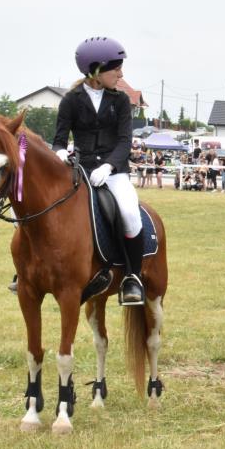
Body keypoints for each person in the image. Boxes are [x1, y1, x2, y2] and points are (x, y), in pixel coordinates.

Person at [52, 36, 145, 305]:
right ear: (96, 71)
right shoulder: (71, 100)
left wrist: (108, 165)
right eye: (116, 69)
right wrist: (60, 153)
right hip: (80, 170)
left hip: (113, 172)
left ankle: (133, 277)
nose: (121, 74)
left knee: (130, 212)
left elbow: (125, 141)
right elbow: (59, 140)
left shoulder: (121, 101)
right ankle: (28, 269)